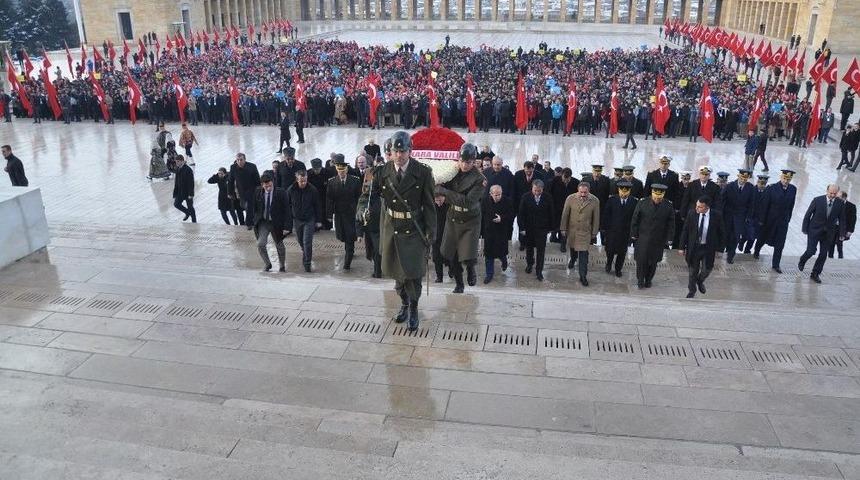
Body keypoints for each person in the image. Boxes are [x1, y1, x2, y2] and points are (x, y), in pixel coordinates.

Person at [361, 130, 436, 331]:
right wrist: (363, 210)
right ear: (391, 152)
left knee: (413, 274)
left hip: (414, 230)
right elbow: (368, 195)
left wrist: (431, 232)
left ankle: (413, 308)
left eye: (404, 151)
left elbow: (429, 205)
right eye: (396, 151)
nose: (400, 155)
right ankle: (404, 303)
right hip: (392, 228)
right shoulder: (382, 171)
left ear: (410, 151)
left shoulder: (423, 172)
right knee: (397, 274)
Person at [436, 143, 485, 293]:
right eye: (462, 161)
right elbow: (439, 182)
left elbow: (468, 201)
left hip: (470, 219)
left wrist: (444, 193)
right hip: (453, 217)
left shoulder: (479, 179)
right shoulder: (453, 171)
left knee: (467, 253)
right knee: (451, 253)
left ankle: (471, 268)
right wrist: (437, 192)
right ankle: (459, 283)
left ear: (474, 161)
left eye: (468, 162)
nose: (464, 165)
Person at [678, 196, 725, 298]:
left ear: (707, 207)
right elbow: (685, 231)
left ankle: (700, 281)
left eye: (700, 207)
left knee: (707, 269)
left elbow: (722, 233)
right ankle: (692, 291)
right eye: (696, 206)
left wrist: (720, 249)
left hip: (708, 248)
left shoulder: (716, 216)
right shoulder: (692, 213)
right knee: (692, 272)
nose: (697, 208)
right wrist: (681, 247)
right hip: (694, 247)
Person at [798, 184, 846, 283]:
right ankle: (802, 260)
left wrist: (842, 234)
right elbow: (808, 214)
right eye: (831, 193)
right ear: (827, 191)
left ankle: (815, 273)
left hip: (828, 233)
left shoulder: (840, 203)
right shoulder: (817, 200)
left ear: (837, 193)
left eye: (834, 193)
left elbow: (842, 219)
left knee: (823, 254)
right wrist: (804, 229)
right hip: (814, 230)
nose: (832, 195)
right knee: (811, 251)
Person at [630, 183, 675, 288]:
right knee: (641, 261)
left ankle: (648, 280)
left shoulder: (668, 205)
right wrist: (633, 234)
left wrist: (669, 238)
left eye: (659, 198)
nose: (657, 200)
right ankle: (640, 280)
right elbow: (635, 219)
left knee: (653, 262)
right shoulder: (642, 202)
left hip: (658, 239)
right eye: (655, 198)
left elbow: (671, 224)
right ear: (652, 194)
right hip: (643, 238)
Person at [754, 169, 797, 273]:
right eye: (785, 178)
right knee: (763, 237)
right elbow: (765, 205)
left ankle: (776, 264)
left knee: (780, 243)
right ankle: (757, 250)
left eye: (788, 179)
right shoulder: (772, 188)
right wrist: (762, 220)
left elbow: (791, 205)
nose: (786, 181)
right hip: (770, 219)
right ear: (781, 177)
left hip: (783, 221)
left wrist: (788, 218)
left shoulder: (793, 189)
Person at [326, 154, 363, 271]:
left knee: (350, 238)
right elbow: (329, 199)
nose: (341, 172)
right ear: (337, 170)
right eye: (339, 170)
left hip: (352, 214)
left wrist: (360, 211)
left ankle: (347, 262)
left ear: (346, 169)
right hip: (340, 214)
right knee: (343, 236)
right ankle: (348, 252)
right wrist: (329, 214)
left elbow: (359, 198)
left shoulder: (355, 181)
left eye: (343, 170)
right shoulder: (332, 182)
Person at [560, 181, 600, 286]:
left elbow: (596, 218)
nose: (583, 195)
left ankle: (583, 276)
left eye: (585, 193)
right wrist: (563, 229)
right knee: (573, 249)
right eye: (581, 192)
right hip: (572, 231)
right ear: (578, 190)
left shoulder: (595, 201)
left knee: (583, 255)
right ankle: (573, 259)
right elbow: (565, 214)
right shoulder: (570, 198)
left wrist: (594, 232)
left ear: (588, 191)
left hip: (585, 232)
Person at [285, 170, 322, 272]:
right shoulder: (291, 190)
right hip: (297, 220)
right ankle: (305, 252)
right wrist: (286, 223)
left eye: (305, 181)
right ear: (297, 180)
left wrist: (318, 220)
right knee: (300, 240)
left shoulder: (312, 189)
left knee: (307, 242)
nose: (303, 183)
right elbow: (286, 205)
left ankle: (307, 263)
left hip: (309, 219)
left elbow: (317, 205)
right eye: (301, 181)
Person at [253, 173, 290, 272]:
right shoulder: (257, 192)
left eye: (270, 185)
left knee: (279, 245)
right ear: (262, 185)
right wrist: (253, 220)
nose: (268, 188)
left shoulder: (281, 192)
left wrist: (287, 227)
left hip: (276, 223)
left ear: (273, 183)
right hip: (264, 222)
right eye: (266, 186)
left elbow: (287, 210)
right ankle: (267, 263)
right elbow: (254, 207)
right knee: (260, 243)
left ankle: (282, 265)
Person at [518, 179, 554, 281]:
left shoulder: (548, 197)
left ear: (542, 189)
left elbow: (551, 212)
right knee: (529, 249)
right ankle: (529, 264)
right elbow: (521, 214)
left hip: (542, 229)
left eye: (539, 191)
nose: (537, 193)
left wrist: (551, 228)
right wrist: (522, 228)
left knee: (541, 251)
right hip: (529, 228)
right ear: (532, 188)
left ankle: (539, 271)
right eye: (535, 190)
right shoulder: (525, 197)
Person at [601, 179, 637, 277]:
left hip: (625, 233)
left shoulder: (634, 202)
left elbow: (635, 218)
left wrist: (633, 232)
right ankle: (609, 263)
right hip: (612, 231)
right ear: (618, 190)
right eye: (622, 191)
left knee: (622, 253)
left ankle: (618, 269)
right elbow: (606, 215)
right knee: (610, 250)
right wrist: (604, 230)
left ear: (629, 191)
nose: (623, 194)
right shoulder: (612, 200)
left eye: (626, 192)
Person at [482, 184, 514, 284]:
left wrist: (502, 218)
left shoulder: (507, 201)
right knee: (488, 254)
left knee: (501, 252)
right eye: (495, 195)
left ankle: (504, 262)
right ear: (490, 194)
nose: (497, 197)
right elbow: (481, 214)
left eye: (499, 194)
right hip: (489, 231)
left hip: (501, 231)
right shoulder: (485, 201)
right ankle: (489, 274)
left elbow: (511, 214)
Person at [722, 169, 755, 263]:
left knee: (736, 237)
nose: (743, 180)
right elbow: (722, 201)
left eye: (746, 178)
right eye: (742, 177)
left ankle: (730, 256)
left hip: (740, 218)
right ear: (738, 176)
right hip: (728, 217)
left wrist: (748, 217)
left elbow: (751, 204)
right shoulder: (729, 186)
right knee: (726, 235)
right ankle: (723, 251)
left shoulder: (750, 188)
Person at [356, 167, 383, 278]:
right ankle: (377, 269)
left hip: (381, 228)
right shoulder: (365, 196)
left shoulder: (383, 195)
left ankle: (378, 272)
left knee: (378, 250)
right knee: (371, 251)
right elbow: (359, 214)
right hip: (370, 228)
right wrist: (359, 234)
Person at [228, 153, 261, 229]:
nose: (239, 161)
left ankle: (249, 223)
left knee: (249, 206)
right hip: (241, 191)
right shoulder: (233, 167)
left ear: (245, 160)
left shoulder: (252, 166)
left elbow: (257, 180)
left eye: (241, 160)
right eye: (237, 160)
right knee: (245, 206)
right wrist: (230, 192)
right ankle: (252, 220)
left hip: (251, 190)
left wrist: (258, 190)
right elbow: (230, 181)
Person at [549, 168, 578, 248]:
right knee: (555, 227)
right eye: (564, 179)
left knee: (565, 228)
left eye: (567, 180)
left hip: (568, 210)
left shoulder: (575, 182)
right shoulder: (554, 181)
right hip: (556, 209)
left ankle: (563, 244)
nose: (565, 181)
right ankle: (553, 239)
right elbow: (549, 194)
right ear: (561, 175)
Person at [829, 192, 855, 258]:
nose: (836, 198)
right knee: (831, 243)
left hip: (843, 228)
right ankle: (830, 257)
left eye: (838, 197)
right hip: (834, 227)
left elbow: (853, 219)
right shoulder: (835, 203)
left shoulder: (851, 206)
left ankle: (840, 258)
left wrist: (850, 231)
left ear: (844, 198)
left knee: (839, 243)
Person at [172, 155, 196, 223]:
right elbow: (176, 181)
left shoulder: (188, 170)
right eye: (176, 162)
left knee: (190, 207)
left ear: (182, 161)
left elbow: (191, 183)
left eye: (178, 161)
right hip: (180, 191)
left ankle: (194, 221)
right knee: (176, 204)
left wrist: (191, 194)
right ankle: (187, 213)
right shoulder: (178, 168)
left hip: (187, 192)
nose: (176, 163)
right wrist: (175, 192)